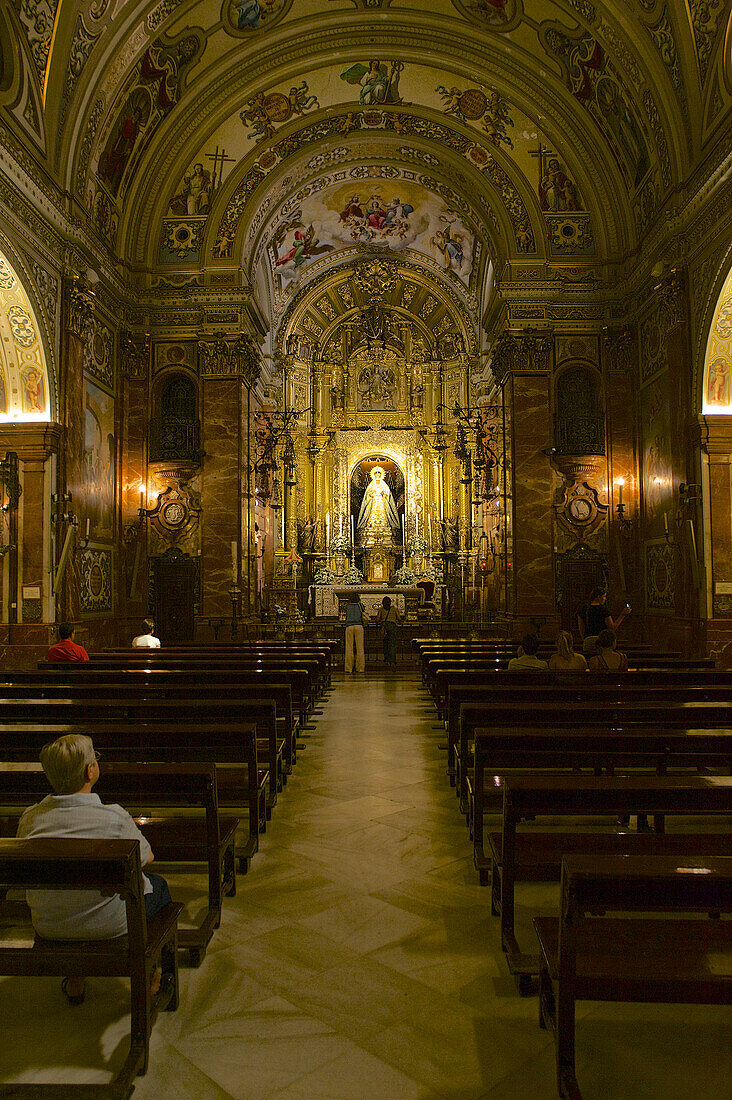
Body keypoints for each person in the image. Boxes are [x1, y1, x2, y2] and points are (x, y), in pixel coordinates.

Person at [17, 734, 171, 1004]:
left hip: (49, 925)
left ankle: (75, 977)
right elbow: (147, 857)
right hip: (109, 926)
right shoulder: (112, 817)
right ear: (91, 771)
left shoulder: (31, 818)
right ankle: (149, 970)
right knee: (158, 886)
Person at [577, 588, 630, 656]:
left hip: (588, 641)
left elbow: (581, 628)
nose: (605, 599)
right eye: (604, 596)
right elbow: (612, 627)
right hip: (602, 641)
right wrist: (623, 615)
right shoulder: (603, 609)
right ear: (598, 597)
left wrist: (585, 639)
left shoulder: (583, 609)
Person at [357, 466, 400, 548]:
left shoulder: (383, 484)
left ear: (381, 475)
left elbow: (388, 494)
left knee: (384, 515)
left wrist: (384, 493)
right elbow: (367, 495)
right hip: (374, 502)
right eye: (376, 474)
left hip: (381, 501)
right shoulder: (371, 484)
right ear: (373, 475)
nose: (377, 476)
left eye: (378, 474)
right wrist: (371, 494)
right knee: (371, 515)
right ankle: (371, 526)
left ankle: (384, 526)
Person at [344, 591, 367, 673]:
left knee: (349, 647)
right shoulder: (361, 606)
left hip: (349, 626)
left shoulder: (347, 606)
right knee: (360, 647)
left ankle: (348, 668)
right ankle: (360, 668)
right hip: (359, 626)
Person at [376, 596, 401, 668]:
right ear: (390, 603)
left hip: (384, 626)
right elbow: (399, 618)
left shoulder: (381, 609)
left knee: (385, 644)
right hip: (392, 626)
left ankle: (386, 659)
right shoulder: (394, 609)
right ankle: (392, 660)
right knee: (392, 644)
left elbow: (377, 619)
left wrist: (381, 622)